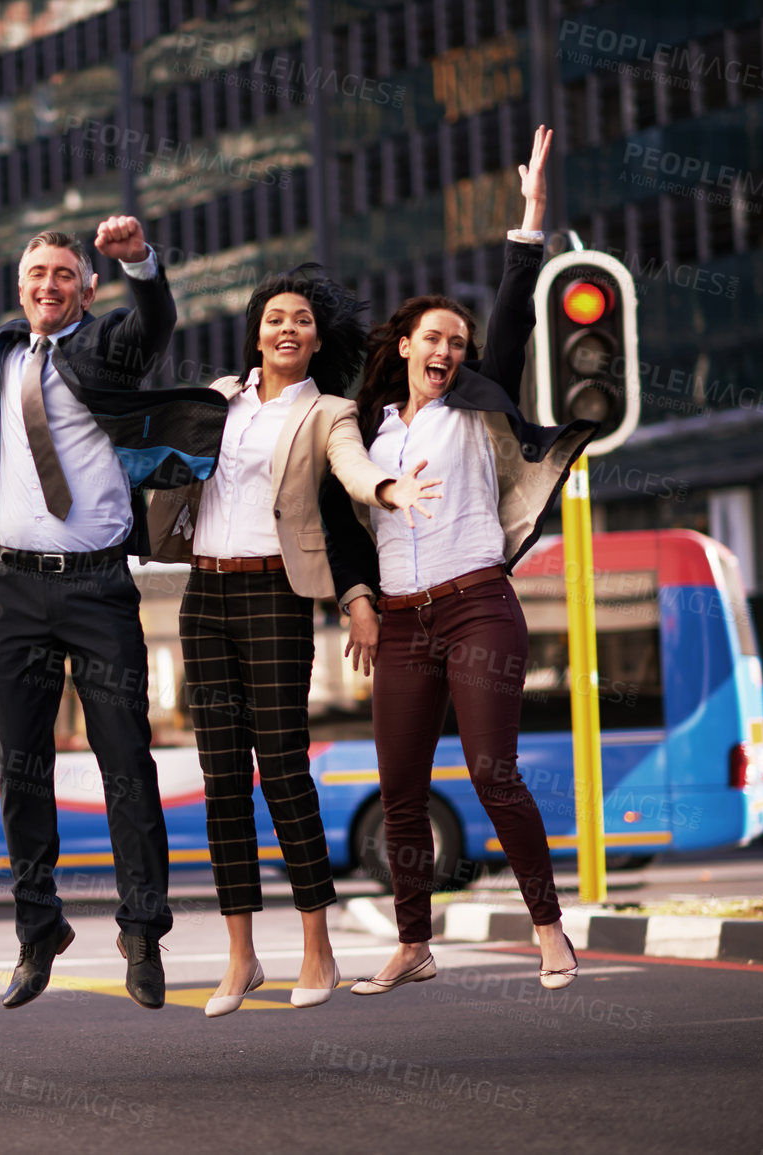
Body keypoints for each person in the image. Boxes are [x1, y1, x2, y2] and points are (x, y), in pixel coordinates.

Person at [0, 172, 228, 1010]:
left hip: (98, 589)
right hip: (15, 593)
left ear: (85, 287)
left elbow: (155, 323)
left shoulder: (103, 343)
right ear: (20, 290)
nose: (48, 288)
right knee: (21, 767)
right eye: (35, 277)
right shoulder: (0, 353)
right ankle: (38, 929)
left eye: (63, 276)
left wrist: (143, 263)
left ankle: (143, 930)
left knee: (125, 764)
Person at [320, 126, 593, 994]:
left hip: (477, 602)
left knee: (490, 771)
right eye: (433, 338)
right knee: (398, 785)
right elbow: (335, 511)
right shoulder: (367, 431)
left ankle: (550, 929)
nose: (447, 351)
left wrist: (530, 218)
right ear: (403, 345)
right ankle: (412, 941)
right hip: (400, 620)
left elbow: (512, 313)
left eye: (458, 343)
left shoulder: (476, 407)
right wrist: (357, 595)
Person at [144, 269, 442, 1016]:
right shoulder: (218, 398)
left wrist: (388, 489)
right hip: (204, 593)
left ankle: (317, 945)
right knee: (220, 780)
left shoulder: (330, 412)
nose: (286, 328)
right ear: (256, 331)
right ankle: (241, 956)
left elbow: (349, 469)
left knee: (280, 769)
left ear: (315, 338)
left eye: (301, 320)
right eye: (274, 317)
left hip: (277, 594)